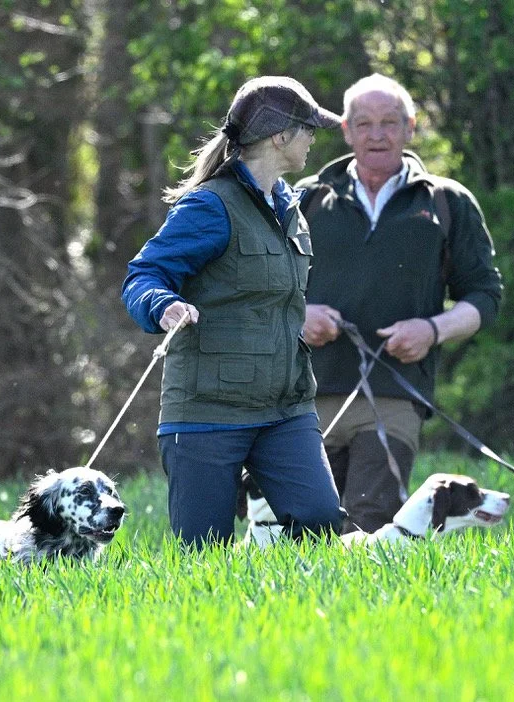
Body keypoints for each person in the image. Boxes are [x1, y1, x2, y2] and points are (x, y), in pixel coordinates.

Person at [121, 76, 346, 547]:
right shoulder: (210, 207)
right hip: (206, 411)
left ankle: (285, 611)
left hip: (286, 408)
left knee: (321, 519)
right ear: (280, 137)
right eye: (309, 129)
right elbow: (143, 276)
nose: (313, 139)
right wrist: (162, 305)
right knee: (204, 557)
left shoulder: (290, 206)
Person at [294, 74, 503, 534]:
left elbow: (484, 295)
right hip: (303, 395)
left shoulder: (448, 202)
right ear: (345, 130)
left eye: (390, 122)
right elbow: (262, 288)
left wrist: (432, 331)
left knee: (372, 524)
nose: (377, 135)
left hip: (395, 395)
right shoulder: (304, 198)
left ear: (410, 127)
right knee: (304, 529)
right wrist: (298, 318)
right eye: (364, 124)